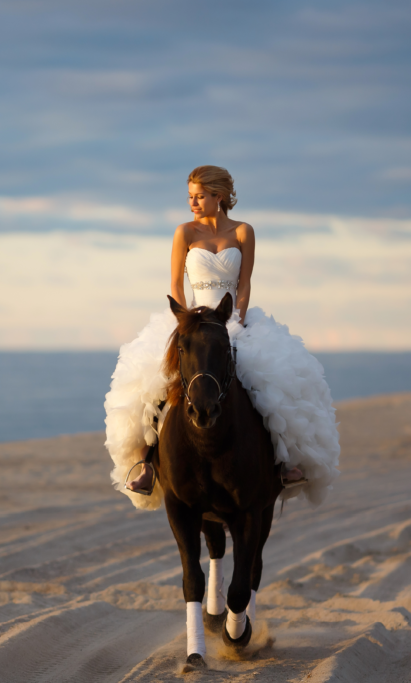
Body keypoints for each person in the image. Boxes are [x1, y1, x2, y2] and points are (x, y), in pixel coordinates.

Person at [104, 165, 340, 511]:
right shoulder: (184, 232)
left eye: (199, 196)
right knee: (152, 382)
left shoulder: (244, 232)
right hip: (192, 320)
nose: (193, 203)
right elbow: (174, 285)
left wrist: (237, 322)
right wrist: (186, 323)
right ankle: (148, 463)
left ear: (219, 197)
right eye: (190, 197)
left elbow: (243, 284)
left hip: (232, 318)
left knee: (272, 381)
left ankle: (285, 460)